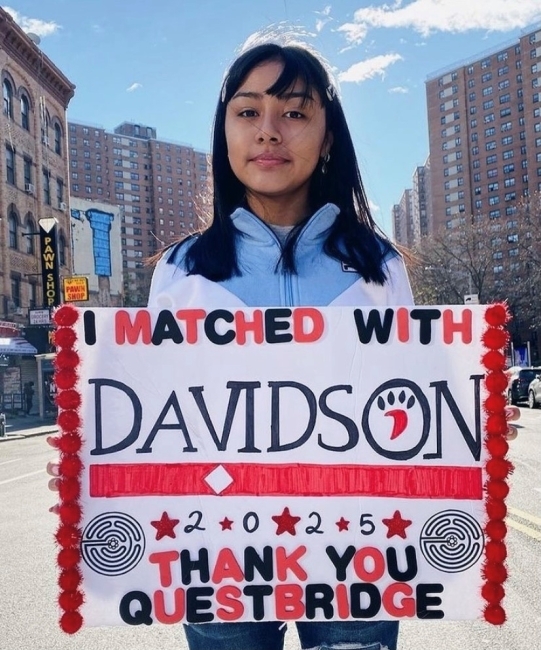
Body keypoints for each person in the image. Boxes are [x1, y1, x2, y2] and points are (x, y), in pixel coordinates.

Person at [48, 36, 519, 650]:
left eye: (294, 112)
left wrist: (474, 423)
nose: (268, 131)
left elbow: (414, 401)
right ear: (225, 133)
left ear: (328, 136)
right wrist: (88, 453)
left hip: (359, 553)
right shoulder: (181, 271)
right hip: (218, 558)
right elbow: (148, 411)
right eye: (247, 112)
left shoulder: (379, 267)